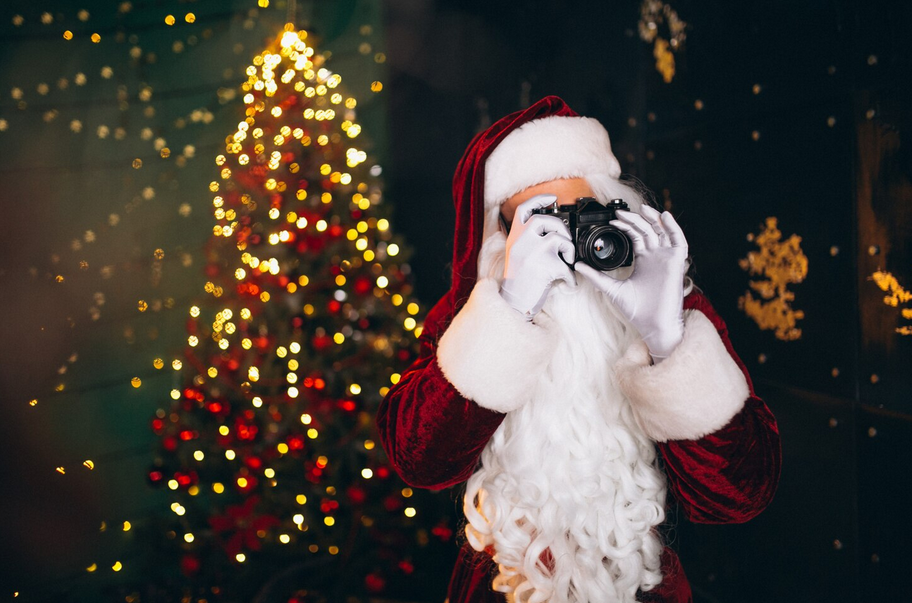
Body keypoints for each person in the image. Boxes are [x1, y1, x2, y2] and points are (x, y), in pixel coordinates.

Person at [377, 96, 780, 603]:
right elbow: (419, 461)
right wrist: (511, 307)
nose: (568, 239)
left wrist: (666, 340)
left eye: (582, 212)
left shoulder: (670, 306)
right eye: (542, 219)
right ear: (501, 235)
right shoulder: (471, 319)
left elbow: (743, 495)